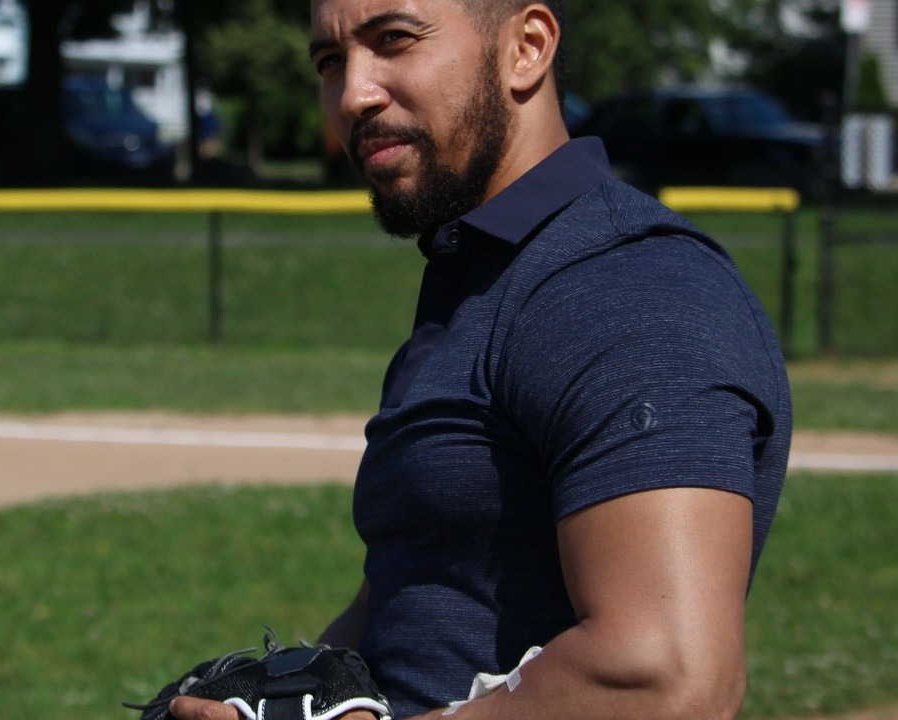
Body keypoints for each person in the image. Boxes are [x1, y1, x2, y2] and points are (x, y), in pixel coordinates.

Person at [170, 1, 791, 719]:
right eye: (330, 61)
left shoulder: (629, 289)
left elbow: (663, 676)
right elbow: (418, 588)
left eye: (393, 39)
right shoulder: (483, 277)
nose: (352, 95)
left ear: (526, 47)